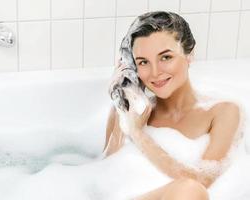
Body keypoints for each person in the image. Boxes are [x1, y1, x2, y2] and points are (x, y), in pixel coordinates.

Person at [103, 11, 243, 200]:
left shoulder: (223, 112)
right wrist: (123, 98)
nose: (155, 72)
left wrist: (138, 134)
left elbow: (202, 181)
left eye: (166, 57)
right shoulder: (131, 111)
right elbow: (105, 173)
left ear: (189, 55)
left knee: (190, 190)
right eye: (143, 62)